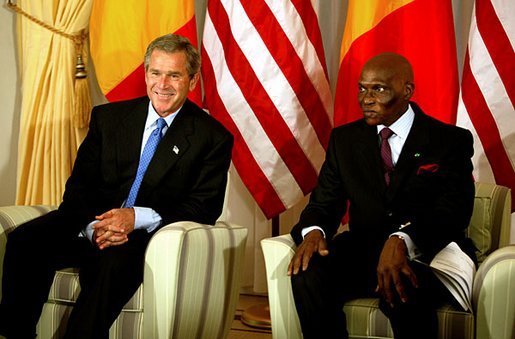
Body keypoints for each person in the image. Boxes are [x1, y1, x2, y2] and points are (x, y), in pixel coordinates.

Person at [0, 34, 233, 339]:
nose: (162, 84)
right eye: (155, 73)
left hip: (143, 238)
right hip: (91, 224)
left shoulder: (213, 138)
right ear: (146, 74)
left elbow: (204, 208)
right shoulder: (108, 118)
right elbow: (78, 187)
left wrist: (135, 218)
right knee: (23, 241)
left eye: (174, 75)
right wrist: (95, 225)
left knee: (111, 265)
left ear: (192, 81)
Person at [288, 52, 476, 339]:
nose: (366, 98)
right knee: (309, 272)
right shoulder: (345, 140)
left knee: (401, 283)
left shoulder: (449, 140)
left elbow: (454, 211)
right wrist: (313, 231)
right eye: (362, 88)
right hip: (363, 251)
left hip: (426, 253)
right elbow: (325, 203)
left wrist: (403, 239)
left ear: (407, 91)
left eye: (379, 89)